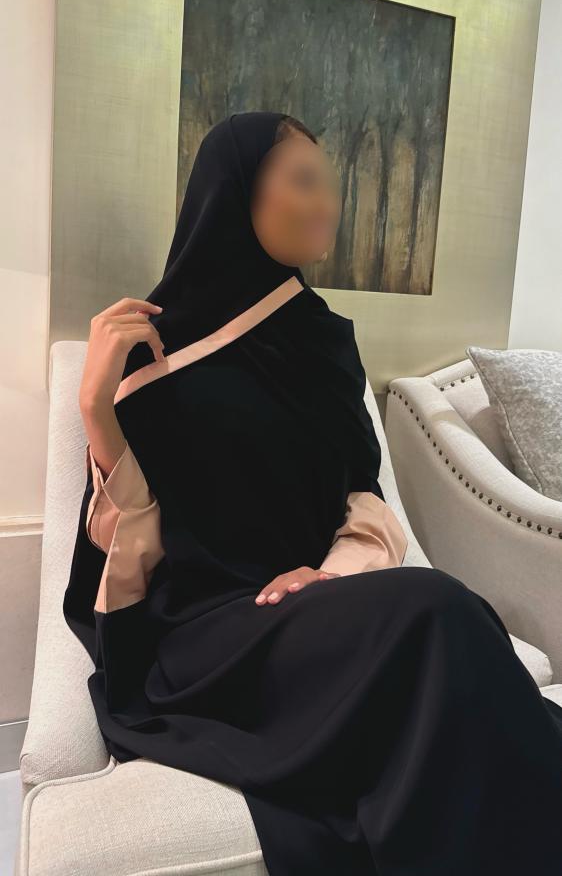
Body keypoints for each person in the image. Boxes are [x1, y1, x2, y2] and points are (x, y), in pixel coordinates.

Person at [63, 111, 562, 876]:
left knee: (450, 616)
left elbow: (363, 498)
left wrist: (331, 577)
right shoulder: (156, 351)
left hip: (308, 608)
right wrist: (97, 410)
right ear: (236, 195)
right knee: (439, 610)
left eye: (331, 182)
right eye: (303, 180)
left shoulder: (325, 343)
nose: (328, 202)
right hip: (206, 632)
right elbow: (134, 551)